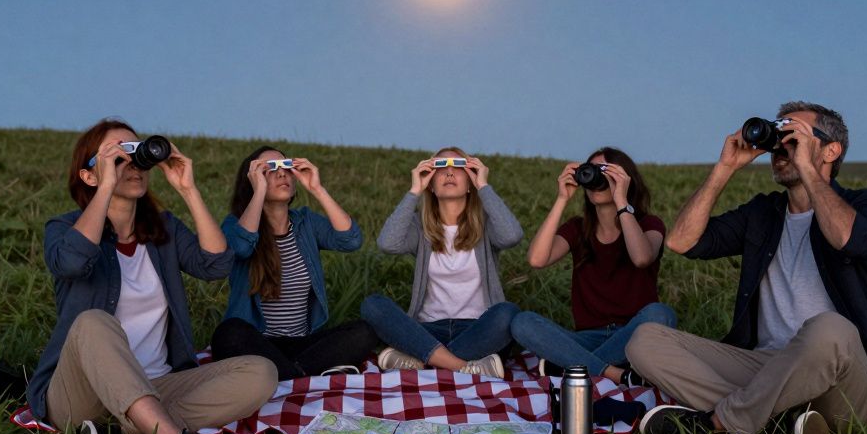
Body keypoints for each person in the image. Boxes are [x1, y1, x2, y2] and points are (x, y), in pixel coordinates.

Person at [628, 102, 867, 434]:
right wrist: (724, 168)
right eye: (779, 137)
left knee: (830, 329)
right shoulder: (764, 213)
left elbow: (847, 239)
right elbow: (680, 241)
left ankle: (720, 423)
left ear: (831, 150)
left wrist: (808, 169)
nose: (781, 148)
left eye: (794, 138)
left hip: (842, 380)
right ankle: (780, 424)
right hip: (767, 365)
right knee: (644, 341)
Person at [27, 119, 278, 434]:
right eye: (119, 156)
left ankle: (128, 428)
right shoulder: (64, 228)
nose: (134, 164)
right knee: (93, 322)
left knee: (261, 373)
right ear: (90, 175)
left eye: (137, 152)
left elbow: (216, 264)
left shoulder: (163, 229)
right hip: (80, 397)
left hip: (157, 383)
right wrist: (106, 188)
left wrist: (188, 190)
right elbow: (71, 262)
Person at [210, 146, 379, 379]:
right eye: (269, 169)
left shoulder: (305, 222)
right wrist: (258, 192)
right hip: (258, 344)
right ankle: (301, 375)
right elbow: (240, 248)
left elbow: (350, 240)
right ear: (253, 178)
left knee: (363, 331)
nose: (282, 174)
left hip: (303, 343)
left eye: (286, 167)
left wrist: (317, 189)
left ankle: (290, 375)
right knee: (228, 334)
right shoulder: (236, 224)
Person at [511, 147, 675, 385]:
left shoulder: (649, 223)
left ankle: (571, 365)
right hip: (586, 338)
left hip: (632, 335)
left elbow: (641, 258)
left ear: (625, 179)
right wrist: (562, 199)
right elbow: (537, 259)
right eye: (592, 171)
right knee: (522, 322)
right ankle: (612, 372)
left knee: (661, 314)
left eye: (606, 172)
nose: (597, 179)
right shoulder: (578, 228)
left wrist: (621, 200)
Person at [360, 148, 524, 379]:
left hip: (476, 329)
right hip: (427, 329)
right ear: (431, 185)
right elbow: (388, 244)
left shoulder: (487, 226)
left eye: (457, 166)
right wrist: (415, 190)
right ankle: (461, 366)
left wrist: (484, 187)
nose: (449, 172)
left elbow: (512, 236)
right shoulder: (419, 227)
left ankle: (421, 359)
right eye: (440, 167)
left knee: (507, 312)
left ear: (470, 183)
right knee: (372, 305)